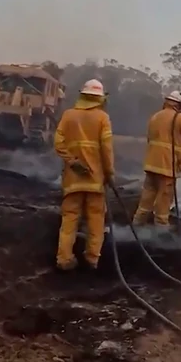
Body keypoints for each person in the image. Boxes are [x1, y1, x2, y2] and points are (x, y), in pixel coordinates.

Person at [53, 78, 116, 271]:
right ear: (100, 99)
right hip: (95, 181)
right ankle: (91, 258)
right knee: (96, 220)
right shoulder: (102, 118)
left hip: (72, 180)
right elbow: (106, 149)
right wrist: (109, 173)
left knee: (69, 219)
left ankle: (64, 259)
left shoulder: (68, 115)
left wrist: (72, 161)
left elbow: (58, 143)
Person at [134, 90, 181, 231]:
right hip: (167, 165)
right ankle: (161, 226)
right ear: (178, 104)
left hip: (152, 164)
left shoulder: (155, 116)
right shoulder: (178, 118)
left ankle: (137, 222)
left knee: (147, 195)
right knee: (165, 196)